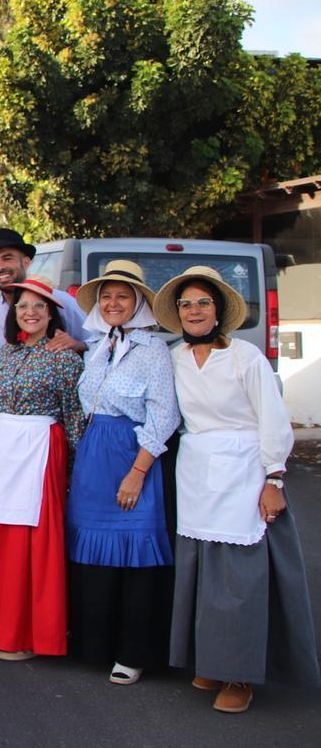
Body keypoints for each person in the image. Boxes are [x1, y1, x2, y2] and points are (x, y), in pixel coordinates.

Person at [154, 266, 320, 713]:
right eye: (186, 304)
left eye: (203, 302)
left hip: (246, 471)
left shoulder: (245, 358)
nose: (193, 310)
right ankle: (210, 660)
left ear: (220, 309)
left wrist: (274, 478)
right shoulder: (174, 358)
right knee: (203, 576)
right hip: (196, 474)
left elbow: (272, 418)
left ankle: (241, 675)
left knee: (240, 581)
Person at [0, 276, 85, 659]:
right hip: (0, 450)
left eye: (38, 307)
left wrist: (72, 470)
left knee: (29, 541)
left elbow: (74, 417)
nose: (30, 313)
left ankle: (24, 632)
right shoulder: (3, 355)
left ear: (51, 314)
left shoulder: (64, 358)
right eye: (23, 306)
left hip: (39, 450)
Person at [65, 261, 179, 685]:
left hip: (133, 455)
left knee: (136, 553)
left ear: (138, 303)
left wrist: (137, 472)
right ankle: (94, 645)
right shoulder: (98, 345)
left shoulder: (153, 352)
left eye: (123, 296)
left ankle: (133, 653)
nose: (113, 303)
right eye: (107, 296)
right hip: (94, 457)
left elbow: (164, 414)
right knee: (92, 555)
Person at [0, 228, 87, 352]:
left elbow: (98, 344)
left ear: (26, 263)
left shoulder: (61, 302)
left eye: (7, 258)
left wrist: (78, 345)